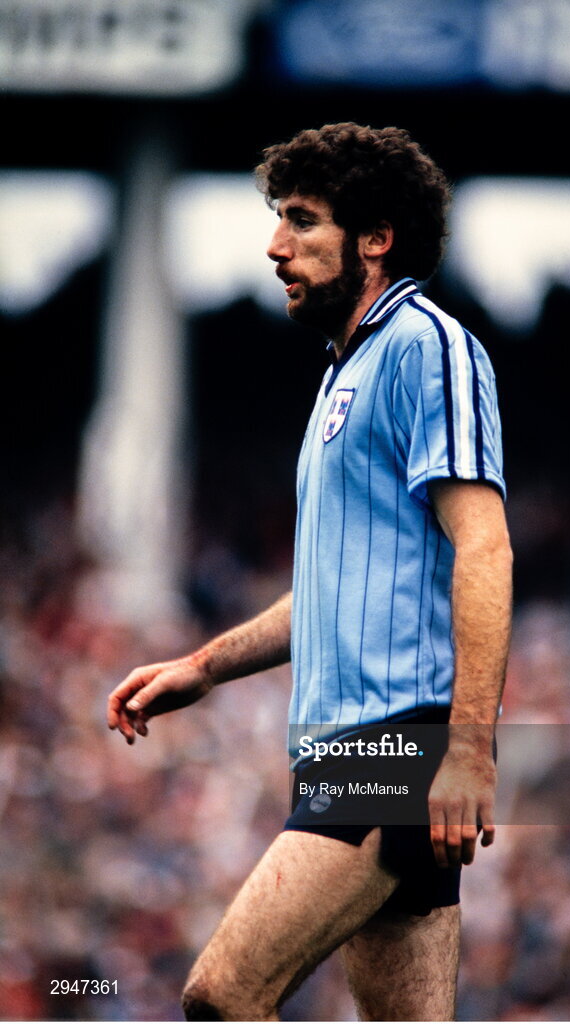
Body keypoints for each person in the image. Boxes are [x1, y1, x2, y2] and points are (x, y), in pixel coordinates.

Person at [107, 122, 513, 1022]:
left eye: (301, 220)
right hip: (346, 750)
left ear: (375, 239)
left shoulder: (426, 346)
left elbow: (485, 547)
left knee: (221, 996)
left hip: (393, 750)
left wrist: (468, 751)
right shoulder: (341, 375)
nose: (274, 246)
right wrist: (204, 667)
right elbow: (332, 590)